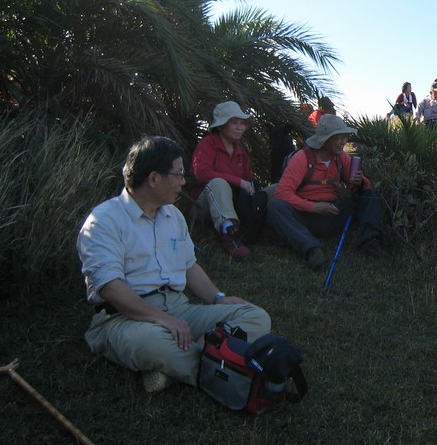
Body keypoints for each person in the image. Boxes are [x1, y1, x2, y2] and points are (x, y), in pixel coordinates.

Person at [78, 135, 272, 394]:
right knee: (151, 342)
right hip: (125, 318)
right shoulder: (103, 220)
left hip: (179, 309)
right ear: (155, 179)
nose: (183, 182)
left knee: (255, 316)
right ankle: (229, 367)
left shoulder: (173, 215)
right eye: (178, 175)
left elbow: (189, 266)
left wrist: (217, 298)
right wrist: (161, 319)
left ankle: (174, 366)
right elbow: (110, 288)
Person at [268, 114, 387, 269]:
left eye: (345, 137)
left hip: (332, 213)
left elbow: (359, 189)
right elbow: (282, 193)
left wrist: (360, 182)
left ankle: (369, 243)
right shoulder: (302, 158)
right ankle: (312, 249)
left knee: (367, 195)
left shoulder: (341, 158)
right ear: (325, 141)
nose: (344, 142)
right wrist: (314, 207)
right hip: (305, 216)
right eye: (339, 138)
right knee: (275, 206)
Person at [191, 101, 265, 260]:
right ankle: (229, 233)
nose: (240, 127)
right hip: (204, 205)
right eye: (234, 123)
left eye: (243, 123)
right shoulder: (207, 145)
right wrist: (237, 181)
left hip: (234, 203)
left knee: (274, 190)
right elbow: (201, 174)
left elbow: (247, 178)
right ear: (221, 126)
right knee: (218, 183)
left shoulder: (240, 151)